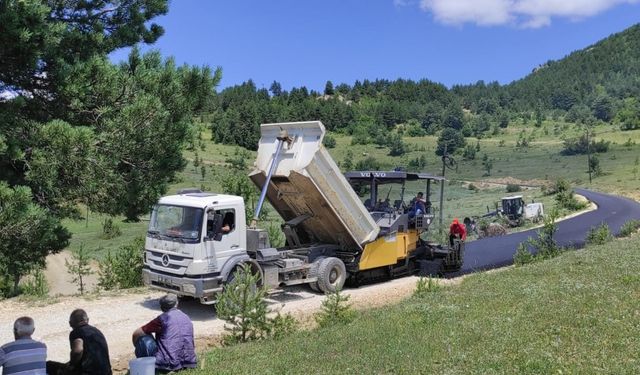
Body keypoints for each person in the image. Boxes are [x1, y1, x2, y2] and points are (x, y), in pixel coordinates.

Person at [132, 294, 197, 372]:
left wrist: (136, 346)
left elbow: (137, 333)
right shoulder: (186, 317)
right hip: (189, 362)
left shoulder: (162, 319)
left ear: (162, 308)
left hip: (168, 364)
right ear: (177, 304)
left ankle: (145, 367)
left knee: (143, 339)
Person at [46, 309, 112, 375]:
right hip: (107, 372)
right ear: (87, 320)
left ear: (70, 323)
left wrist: (71, 365)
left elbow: (78, 351)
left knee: (49, 366)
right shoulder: (97, 331)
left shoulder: (76, 332)